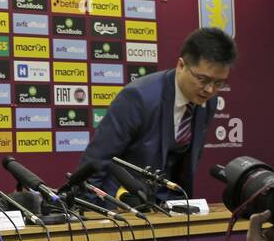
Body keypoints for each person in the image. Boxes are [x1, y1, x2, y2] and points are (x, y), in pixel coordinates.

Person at [80, 27, 236, 200]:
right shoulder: (139, 97)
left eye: (219, 83)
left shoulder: (207, 102)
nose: (209, 89)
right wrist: (89, 213)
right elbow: (96, 162)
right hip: (124, 203)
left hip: (170, 203)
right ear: (181, 65)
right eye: (202, 79)